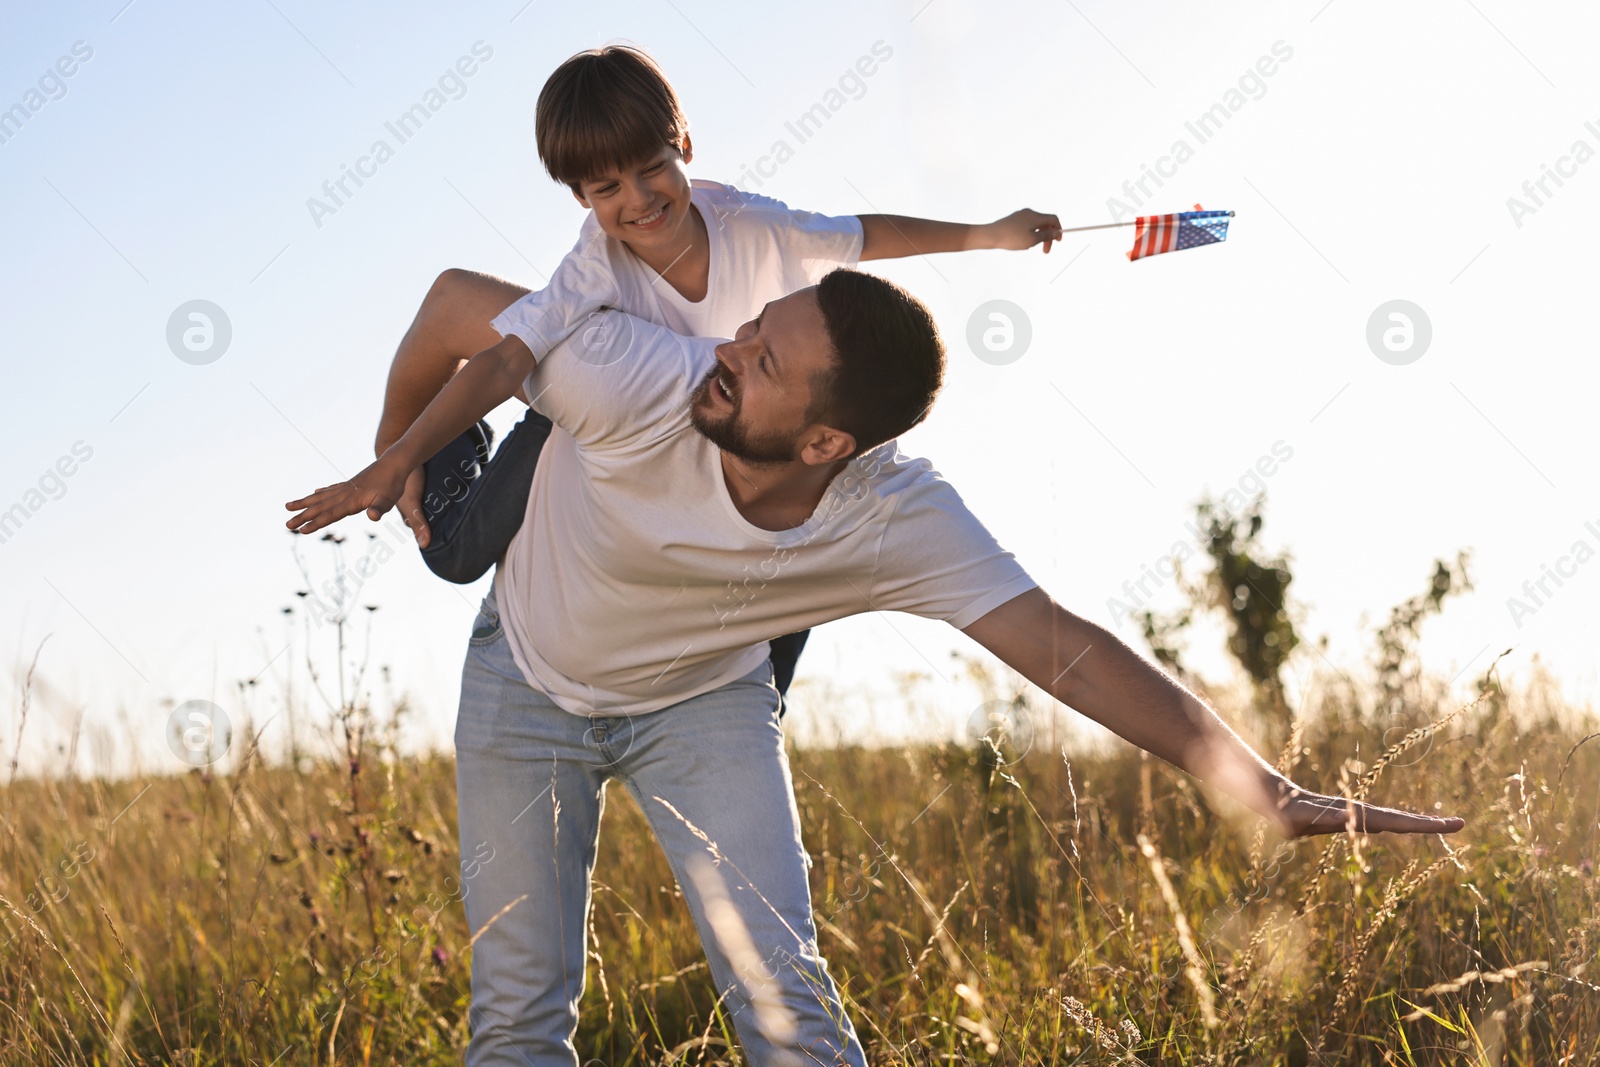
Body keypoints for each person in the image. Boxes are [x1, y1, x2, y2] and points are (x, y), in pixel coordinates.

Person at [286, 269, 1464, 1066]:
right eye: (751, 330)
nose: (727, 354)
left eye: (762, 359)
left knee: (787, 1005)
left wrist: (1256, 783)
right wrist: (399, 458)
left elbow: (1068, 650)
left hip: (702, 700)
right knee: (517, 1019)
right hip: (528, 681)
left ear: (826, 443)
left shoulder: (895, 515)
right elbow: (450, 304)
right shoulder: (633, 365)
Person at [377, 43, 1064, 699]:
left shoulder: (751, 225)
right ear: (581, 196)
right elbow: (502, 356)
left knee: (796, 530)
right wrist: (399, 448)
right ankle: (457, 450)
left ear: (684, 146)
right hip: (594, 431)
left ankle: (761, 694)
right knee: (458, 555)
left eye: (652, 168)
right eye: (607, 188)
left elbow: (864, 234)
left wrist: (987, 234)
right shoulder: (591, 270)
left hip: (728, 443)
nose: (639, 199)